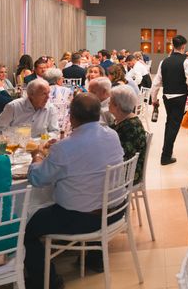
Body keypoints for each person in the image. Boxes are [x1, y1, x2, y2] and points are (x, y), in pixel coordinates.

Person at [23, 93, 124, 289]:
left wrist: (37, 157)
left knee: (27, 229)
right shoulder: (112, 135)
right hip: (116, 211)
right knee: (86, 191)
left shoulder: (65, 148)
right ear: (98, 114)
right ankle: (95, 258)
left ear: (71, 117)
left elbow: (37, 179)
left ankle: (47, 281)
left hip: (84, 220)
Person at [151, 35, 188, 165]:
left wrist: (154, 99)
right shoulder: (186, 62)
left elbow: (156, 83)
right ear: (183, 46)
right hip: (179, 97)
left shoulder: (164, 62)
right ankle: (165, 156)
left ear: (173, 45)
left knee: (169, 123)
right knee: (173, 126)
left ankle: (167, 153)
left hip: (166, 97)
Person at [108, 85, 147, 184]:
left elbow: (122, 158)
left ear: (118, 105)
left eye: (110, 101)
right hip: (124, 169)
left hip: (128, 175)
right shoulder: (123, 119)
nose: (108, 103)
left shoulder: (129, 127)